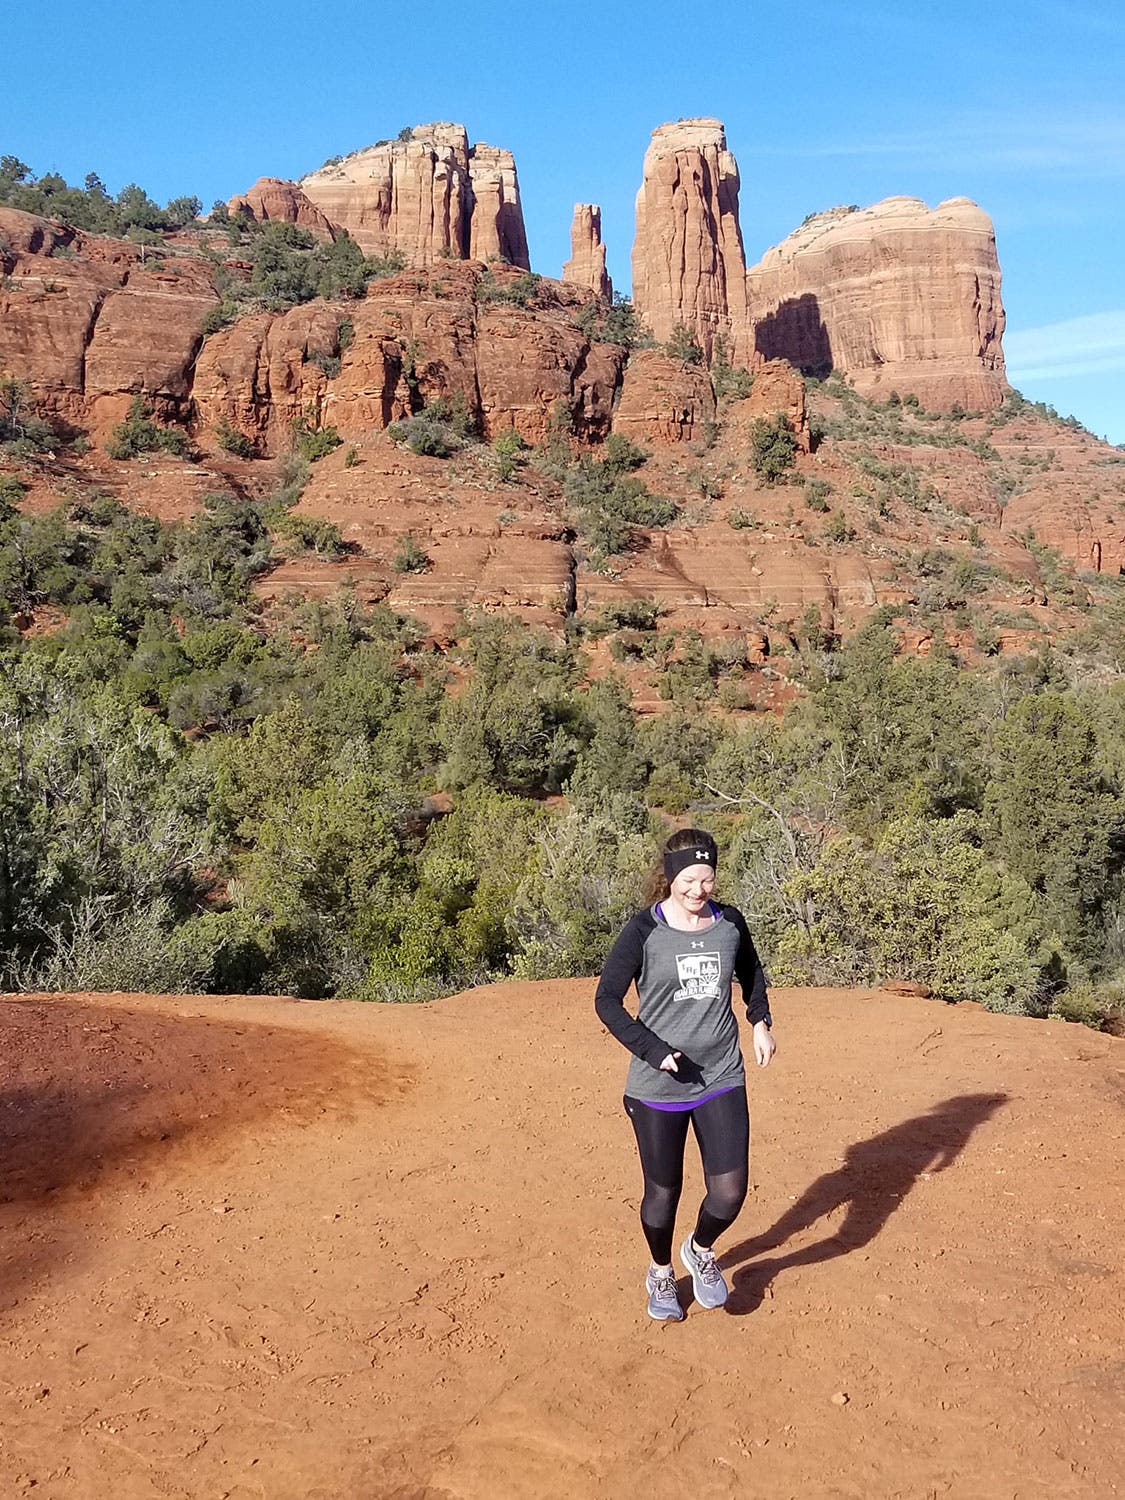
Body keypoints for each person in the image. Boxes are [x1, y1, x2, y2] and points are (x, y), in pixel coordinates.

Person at [595, 827, 775, 1320]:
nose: (699, 890)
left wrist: (760, 1020)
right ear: (670, 878)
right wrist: (652, 1050)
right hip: (657, 1086)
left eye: (708, 879)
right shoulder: (644, 930)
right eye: (689, 880)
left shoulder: (729, 923)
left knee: (730, 1190)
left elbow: (752, 972)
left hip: (720, 1073)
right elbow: (606, 1000)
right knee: (664, 1190)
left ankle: (699, 1250)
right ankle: (659, 1273)